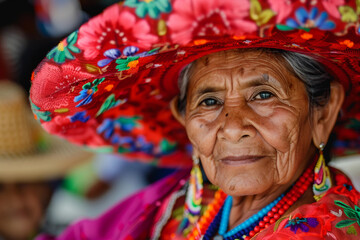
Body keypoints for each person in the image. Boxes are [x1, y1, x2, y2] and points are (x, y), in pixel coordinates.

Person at [29, 0, 360, 239]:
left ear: (324, 111)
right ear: (183, 117)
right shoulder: (187, 196)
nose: (232, 126)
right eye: (210, 101)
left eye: (263, 95)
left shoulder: (332, 231)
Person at [0, 80, 93, 240]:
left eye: (24, 182)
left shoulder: (73, 233)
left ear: (46, 188)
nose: (15, 199)